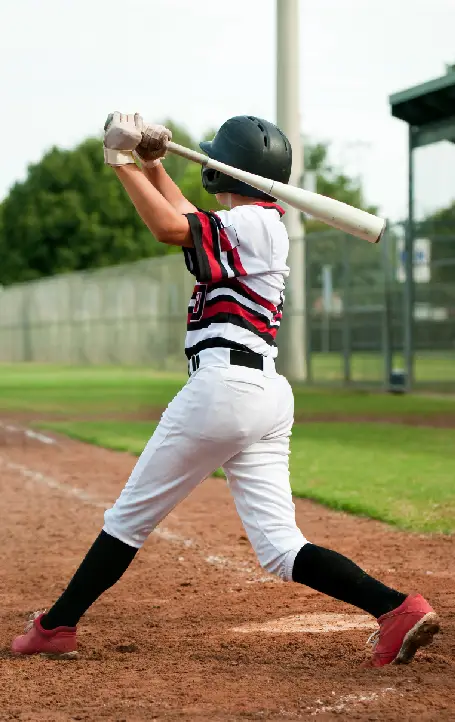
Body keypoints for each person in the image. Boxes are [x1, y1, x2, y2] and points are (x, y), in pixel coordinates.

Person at [12, 112, 439, 667]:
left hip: (224, 389)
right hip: (261, 392)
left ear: (225, 171)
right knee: (281, 548)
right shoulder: (255, 225)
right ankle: (396, 609)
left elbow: (170, 228)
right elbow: (188, 218)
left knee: (127, 520)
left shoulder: (256, 225)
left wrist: (119, 164)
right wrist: (153, 165)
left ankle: (56, 626)